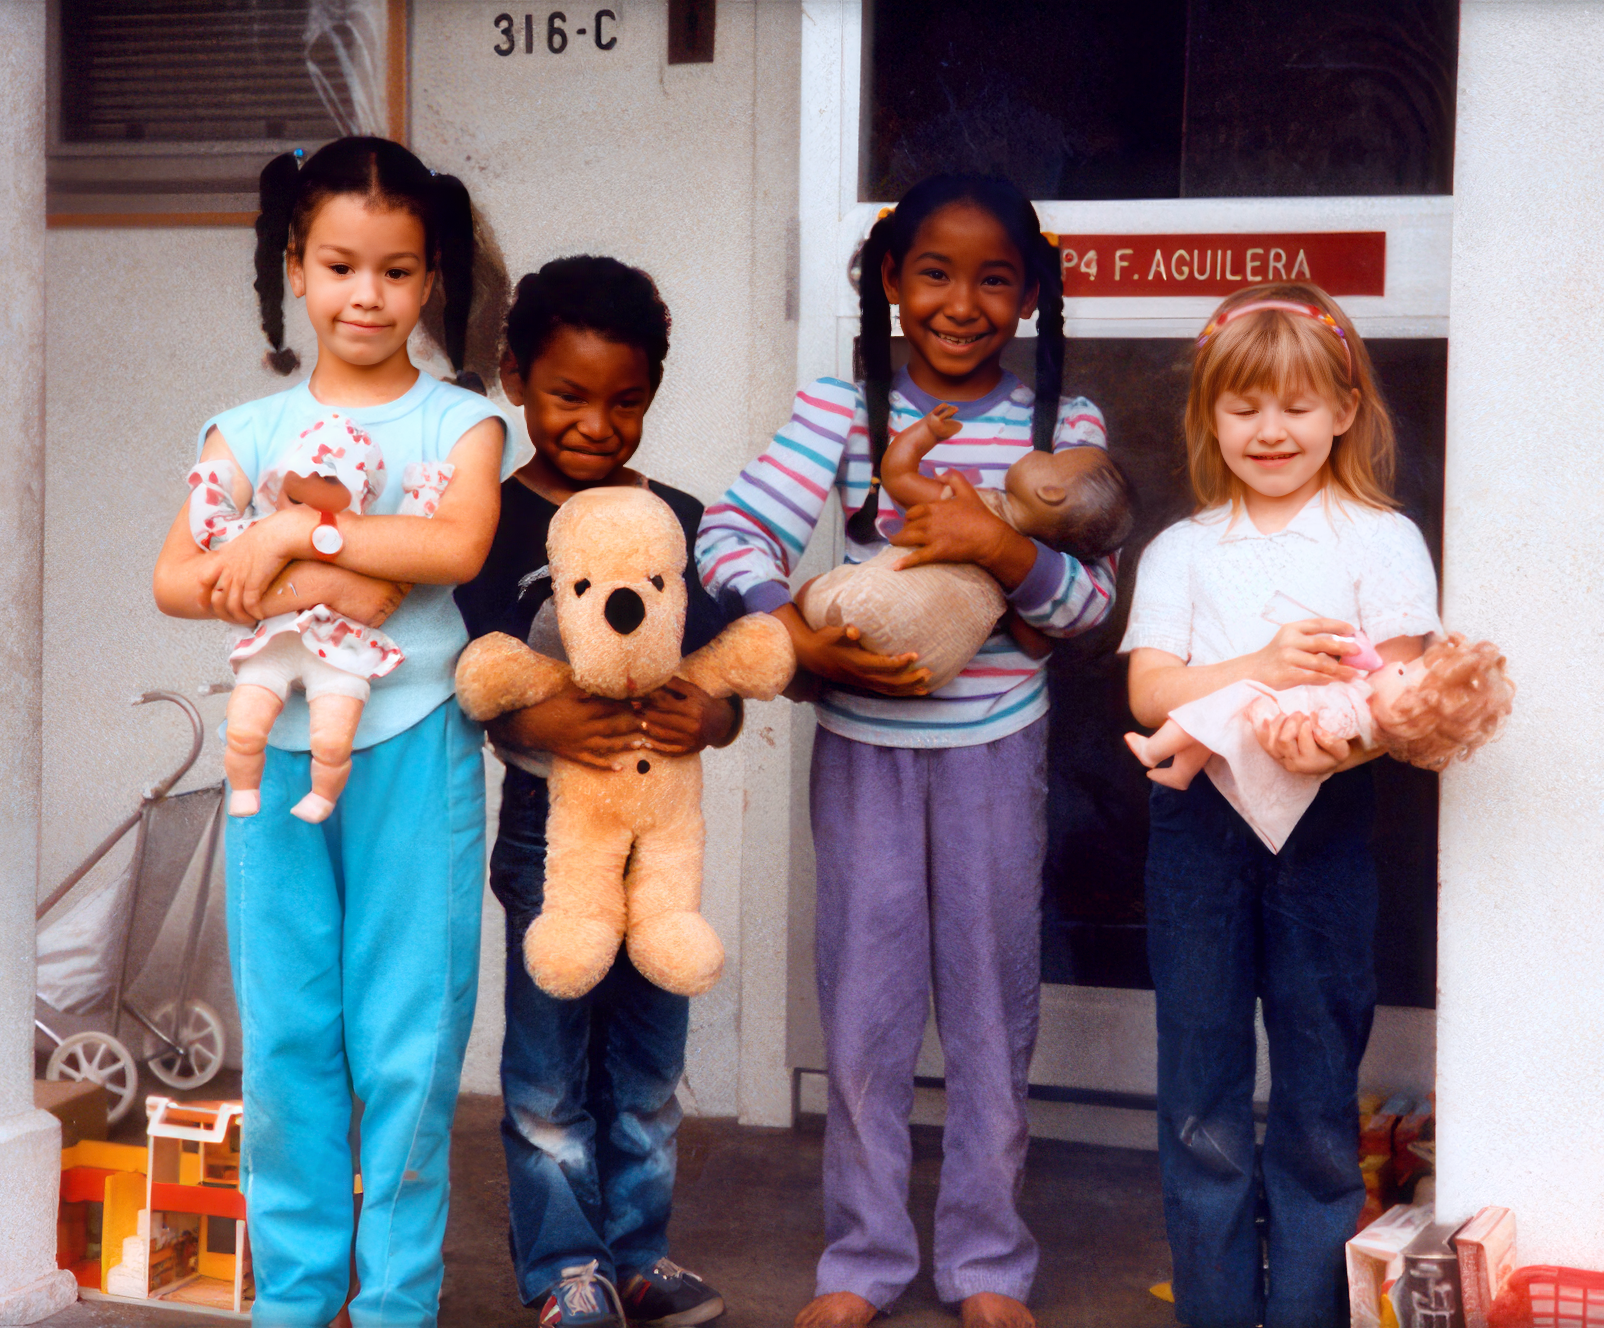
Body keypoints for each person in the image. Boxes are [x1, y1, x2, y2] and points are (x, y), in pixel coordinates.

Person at [696, 174, 1119, 1328]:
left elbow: (1085, 610)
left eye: (993, 277)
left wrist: (1003, 545)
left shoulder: (1060, 429)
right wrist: (793, 632)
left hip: (996, 747)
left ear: (1029, 294)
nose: (961, 301)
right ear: (888, 281)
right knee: (867, 1005)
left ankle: (987, 1261)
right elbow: (727, 531)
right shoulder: (841, 407)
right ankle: (861, 1258)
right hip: (864, 751)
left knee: (991, 1004)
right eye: (933, 271)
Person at [151, 136, 515, 1325]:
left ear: (431, 280)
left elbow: (452, 549)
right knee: (293, 1029)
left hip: (417, 749)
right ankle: (298, 1299)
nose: (369, 296)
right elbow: (178, 579)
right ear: (295, 267)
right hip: (273, 762)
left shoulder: (465, 423)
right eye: (342, 265)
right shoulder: (242, 429)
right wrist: (346, 573)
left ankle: (399, 1299)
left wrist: (285, 544)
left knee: (407, 1039)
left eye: (399, 271)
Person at [1120, 285, 1444, 1328]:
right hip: (1199, 834)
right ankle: (1215, 1308)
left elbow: (1396, 689)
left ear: (1344, 410)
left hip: (1326, 824)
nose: (1269, 430)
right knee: (1200, 1088)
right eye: (1243, 406)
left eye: (1297, 406)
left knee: (1313, 1088)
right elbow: (1147, 690)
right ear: (1207, 415)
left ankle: (1304, 1307)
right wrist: (1260, 666)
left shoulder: (1378, 539)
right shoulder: (1182, 547)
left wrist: (1334, 729)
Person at [454, 255, 732, 1328]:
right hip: (546, 836)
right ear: (518, 378)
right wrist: (528, 719)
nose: (595, 424)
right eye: (568, 395)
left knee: (650, 1065)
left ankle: (640, 1254)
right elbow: (469, 674)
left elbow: (717, 668)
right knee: (548, 1069)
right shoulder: (494, 521)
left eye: (625, 400)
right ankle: (563, 1266)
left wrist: (715, 713)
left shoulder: (673, 514)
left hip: (661, 833)